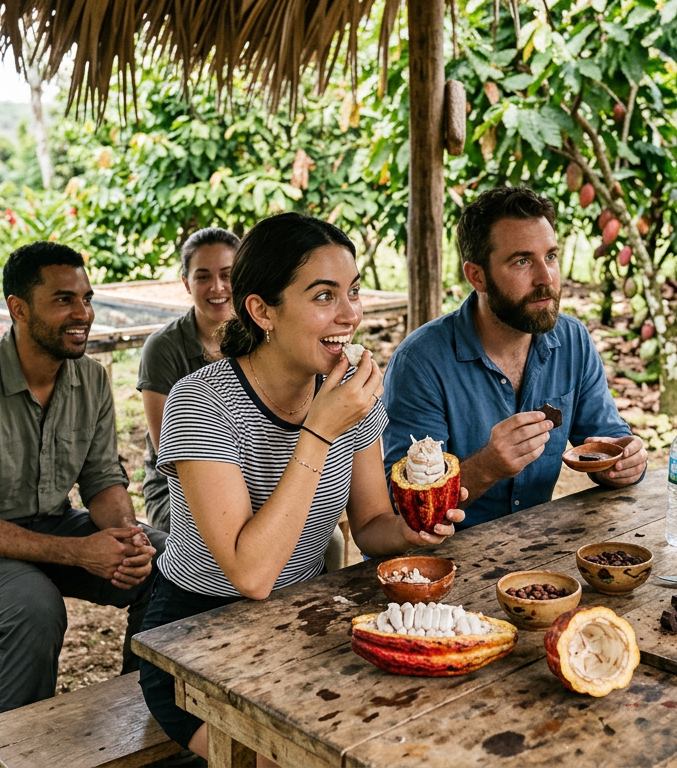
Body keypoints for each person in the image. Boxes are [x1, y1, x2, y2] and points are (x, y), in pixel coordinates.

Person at [137, 212, 466, 758]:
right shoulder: (200, 403)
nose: (350, 314)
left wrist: (413, 529)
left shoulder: (349, 393)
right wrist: (319, 430)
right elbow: (251, 574)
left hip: (302, 619)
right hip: (194, 637)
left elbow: (370, 524)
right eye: (323, 296)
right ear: (262, 310)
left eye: (353, 291)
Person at [0, 242, 167, 714]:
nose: (82, 313)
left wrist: (128, 539)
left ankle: (153, 715)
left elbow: (102, 480)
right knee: (32, 607)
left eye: (86, 298)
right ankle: (16, 745)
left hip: (47, 523)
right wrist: (80, 552)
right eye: (64, 300)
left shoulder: (91, 379)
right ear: (18, 309)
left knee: (169, 564)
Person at [381, 186, 647, 530]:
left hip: (536, 547)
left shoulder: (572, 340)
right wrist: (487, 467)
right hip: (441, 556)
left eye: (550, 256)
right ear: (477, 276)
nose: (546, 278)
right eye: (522, 261)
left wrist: (625, 462)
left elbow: (606, 440)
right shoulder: (419, 363)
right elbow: (405, 507)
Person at [138, 227, 239, 532]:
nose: (217, 287)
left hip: (255, 478)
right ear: (186, 283)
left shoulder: (263, 336)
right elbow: (166, 449)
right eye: (203, 276)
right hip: (178, 487)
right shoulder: (163, 348)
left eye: (227, 274)